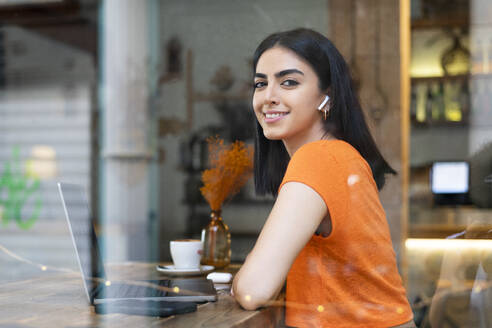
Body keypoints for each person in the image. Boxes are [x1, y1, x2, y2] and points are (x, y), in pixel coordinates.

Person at [231, 28, 415, 327]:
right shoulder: (339, 155)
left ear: (326, 95)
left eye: (289, 82)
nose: (268, 97)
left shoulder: (319, 158)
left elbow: (253, 291)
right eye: (260, 83)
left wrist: (238, 281)